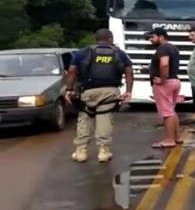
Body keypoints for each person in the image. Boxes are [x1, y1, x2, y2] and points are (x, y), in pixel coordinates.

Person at [65, 29, 133, 163]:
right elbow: (129, 71)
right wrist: (128, 91)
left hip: (88, 91)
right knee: (105, 120)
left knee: (84, 118)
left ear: (96, 39)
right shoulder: (119, 53)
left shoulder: (83, 52)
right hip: (110, 91)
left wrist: (69, 89)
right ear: (110, 39)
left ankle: (81, 151)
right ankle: (103, 151)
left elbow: (72, 71)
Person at [145, 27, 182, 148]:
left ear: (161, 36)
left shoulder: (163, 48)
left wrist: (162, 79)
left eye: (152, 37)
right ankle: (176, 137)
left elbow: (165, 64)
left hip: (165, 84)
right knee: (171, 110)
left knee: (167, 113)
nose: (150, 40)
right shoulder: (172, 47)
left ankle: (169, 139)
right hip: (174, 81)